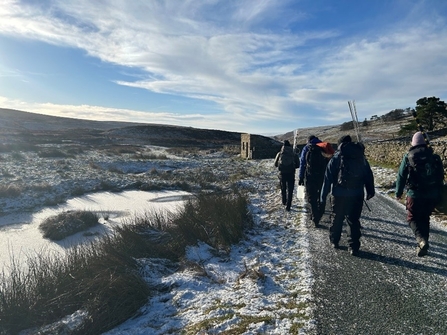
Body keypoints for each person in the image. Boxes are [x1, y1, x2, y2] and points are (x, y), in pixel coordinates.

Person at [320, 135, 375, 256]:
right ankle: (353, 247)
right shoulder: (360, 157)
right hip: (356, 194)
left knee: (337, 217)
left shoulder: (336, 158)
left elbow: (327, 179)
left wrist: (323, 196)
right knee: (353, 220)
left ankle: (335, 241)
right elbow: (368, 175)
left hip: (338, 194)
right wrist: (370, 191)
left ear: (340, 145)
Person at [395, 131, 444, 257]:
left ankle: (420, 240)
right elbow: (440, 176)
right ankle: (424, 243)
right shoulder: (434, 156)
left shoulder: (408, 156)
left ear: (413, 142)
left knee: (412, 218)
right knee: (425, 218)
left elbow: (401, 176)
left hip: (415, 194)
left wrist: (398, 192)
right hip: (432, 194)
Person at [299, 135, 334, 227]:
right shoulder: (322, 147)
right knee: (321, 196)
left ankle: (315, 216)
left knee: (312, 197)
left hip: (310, 176)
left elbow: (302, 162)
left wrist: (301, 176)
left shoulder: (307, 148)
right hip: (322, 176)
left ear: (309, 140)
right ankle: (319, 213)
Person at [274, 140, 299, 211]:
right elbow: (298, 165)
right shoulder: (293, 154)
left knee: (283, 188)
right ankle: (288, 205)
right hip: (291, 174)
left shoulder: (280, 153)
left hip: (282, 174)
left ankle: (284, 201)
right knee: (290, 190)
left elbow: (275, 164)